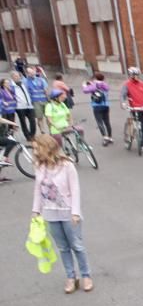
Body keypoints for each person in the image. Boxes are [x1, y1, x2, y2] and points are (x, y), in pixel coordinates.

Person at [30, 134, 93, 293]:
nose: (35, 152)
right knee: (63, 248)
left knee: (77, 246)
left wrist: (75, 212)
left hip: (68, 212)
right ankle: (71, 277)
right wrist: (36, 210)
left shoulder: (67, 165)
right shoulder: (39, 166)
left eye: (37, 148)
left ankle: (86, 275)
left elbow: (75, 189)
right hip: (50, 213)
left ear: (47, 148)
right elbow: (38, 189)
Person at [121, 67, 143, 153]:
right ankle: (142, 145)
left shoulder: (142, 83)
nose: (137, 76)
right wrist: (123, 103)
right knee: (140, 126)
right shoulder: (126, 84)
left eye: (138, 75)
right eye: (135, 75)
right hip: (135, 108)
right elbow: (123, 95)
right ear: (131, 75)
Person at [82, 73, 113, 144]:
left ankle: (105, 137)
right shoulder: (105, 85)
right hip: (106, 105)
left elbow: (85, 90)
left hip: (97, 106)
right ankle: (110, 137)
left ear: (95, 78)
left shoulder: (94, 85)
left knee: (100, 122)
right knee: (107, 122)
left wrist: (84, 85)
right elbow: (107, 89)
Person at [10, 72, 35, 140]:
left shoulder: (24, 83)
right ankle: (28, 136)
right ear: (12, 77)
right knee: (23, 122)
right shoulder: (11, 86)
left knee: (32, 120)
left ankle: (32, 134)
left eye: (18, 76)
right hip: (20, 107)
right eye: (15, 76)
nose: (17, 77)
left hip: (29, 106)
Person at [25, 67, 49, 134]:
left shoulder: (41, 80)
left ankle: (50, 129)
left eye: (32, 72)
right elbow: (27, 93)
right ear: (27, 74)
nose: (32, 73)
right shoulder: (26, 82)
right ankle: (42, 131)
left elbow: (45, 90)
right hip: (35, 102)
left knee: (48, 116)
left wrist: (49, 99)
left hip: (44, 100)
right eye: (29, 72)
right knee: (39, 117)